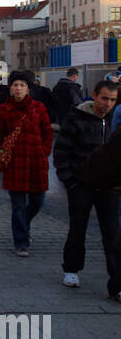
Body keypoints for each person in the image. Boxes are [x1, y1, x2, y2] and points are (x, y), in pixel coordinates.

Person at [52, 79, 121, 299]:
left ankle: (117, 283)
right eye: (104, 98)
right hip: (81, 184)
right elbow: (61, 151)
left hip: (110, 187)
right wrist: (69, 181)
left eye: (112, 100)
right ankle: (71, 269)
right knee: (77, 228)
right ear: (94, 96)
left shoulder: (115, 122)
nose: (108, 104)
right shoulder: (76, 117)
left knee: (112, 235)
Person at [0, 70, 54, 257]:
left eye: (22, 85)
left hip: (36, 162)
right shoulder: (5, 110)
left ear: (28, 88)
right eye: (15, 85)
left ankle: (25, 224)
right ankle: (21, 242)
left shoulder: (39, 108)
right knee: (18, 205)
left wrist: (44, 151)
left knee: (38, 201)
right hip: (15, 163)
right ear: (11, 89)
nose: (18, 88)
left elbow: (47, 132)